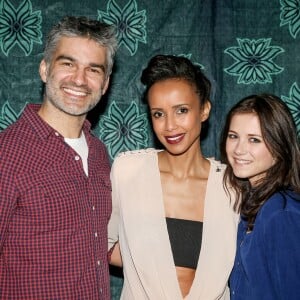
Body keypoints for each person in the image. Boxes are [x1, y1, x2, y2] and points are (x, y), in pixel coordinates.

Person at [0, 16, 117, 299]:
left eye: (93, 69)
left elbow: (99, 245)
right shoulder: (6, 154)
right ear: (44, 69)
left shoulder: (100, 154)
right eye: (68, 64)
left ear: (105, 84)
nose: (79, 79)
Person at [108, 54, 239, 299]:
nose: (169, 126)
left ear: (204, 110)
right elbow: (101, 242)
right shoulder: (128, 171)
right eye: (158, 114)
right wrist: (150, 266)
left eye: (181, 110)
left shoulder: (232, 186)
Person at [220, 94, 300, 299]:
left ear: (279, 146)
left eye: (254, 139)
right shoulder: (256, 204)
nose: (239, 149)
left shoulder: (281, 214)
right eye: (233, 136)